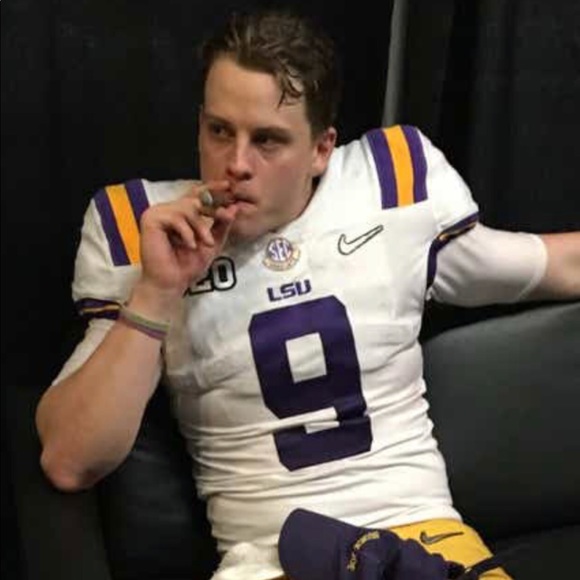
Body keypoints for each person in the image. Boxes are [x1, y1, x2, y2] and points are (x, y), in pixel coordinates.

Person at [35, 8, 579, 580]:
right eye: (219, 131)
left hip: (425, 542)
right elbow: (69, 461)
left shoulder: (392, 190)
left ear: (322, 149)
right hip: (270, 562)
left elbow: (548, 264)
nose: (236, 164)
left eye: (267, 140)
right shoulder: (146, 228)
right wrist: (157, 291)